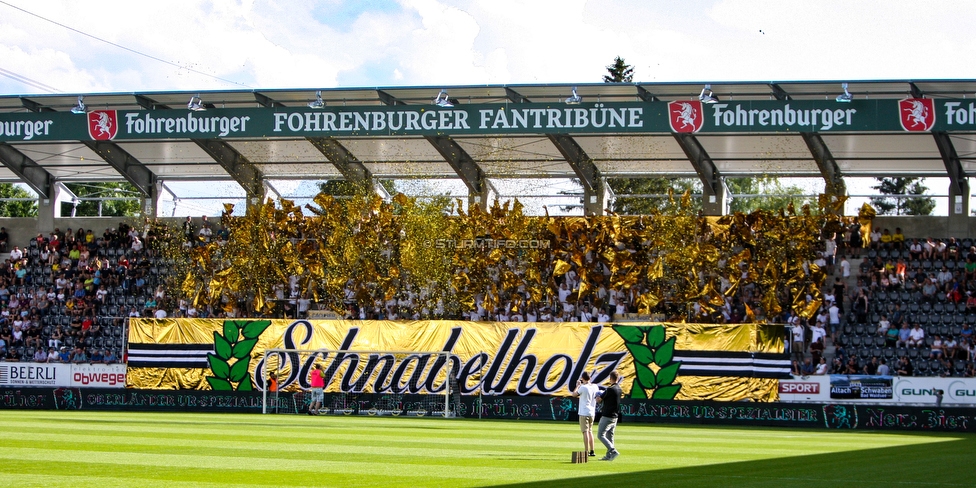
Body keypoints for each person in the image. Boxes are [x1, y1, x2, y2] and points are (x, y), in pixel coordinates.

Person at [596, 370, 622, 461]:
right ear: (617, 378)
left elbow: (599, 399)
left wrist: (597, 396)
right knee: (610, 436)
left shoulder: (610, 389)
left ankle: (613, 450)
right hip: (615, 416)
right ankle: (609, 456)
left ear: (610, 378)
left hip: (607, 415)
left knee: (600, 435)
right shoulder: (619, 388)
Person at [573, 371, 600, 458]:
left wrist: (577, 385)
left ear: (582, 379)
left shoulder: (583, 387)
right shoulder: (595, 386)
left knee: (585, 432)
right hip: (592, 412)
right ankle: (592, 450)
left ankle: (586, 451)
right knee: (590, 431)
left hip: (584, 412)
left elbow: (574, 394)